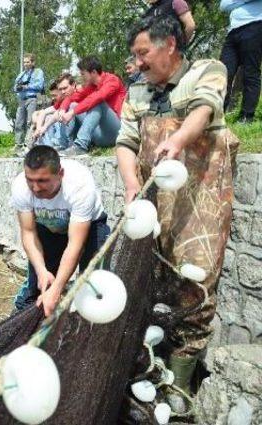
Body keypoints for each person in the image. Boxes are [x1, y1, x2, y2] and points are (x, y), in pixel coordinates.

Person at [118, 15, 236, 409]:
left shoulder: (206, 69)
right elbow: (126, 142)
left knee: (196, 284)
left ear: (169, 43)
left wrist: (180, 138)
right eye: (134, 56)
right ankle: (152, 373)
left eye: (142, 53)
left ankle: (179, 388)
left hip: (200, 200)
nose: (137, 63)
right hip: (156, 204)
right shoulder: (136, 94)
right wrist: (132, 184)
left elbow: (205, 108)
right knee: (155, 284)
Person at [11, 146, 109, 316]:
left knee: (92, 281)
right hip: (48, 226)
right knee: (38, 283)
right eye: (30, 180)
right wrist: (42, 271)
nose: (35, 188)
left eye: (42, 180)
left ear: (60, 174)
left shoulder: (79, 186)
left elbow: (75, 245)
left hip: (90, 225)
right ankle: (23, 313)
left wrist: (57, 289)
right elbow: (28, 233)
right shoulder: (20, 187)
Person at [57, 56, 127, 156]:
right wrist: (63, 109)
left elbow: (97, 97)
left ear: (93, 72)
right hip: (100, 135)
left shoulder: (112, 80)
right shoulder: (91, 86)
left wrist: (72, 113)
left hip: (116, 133)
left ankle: (80, 146)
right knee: (72, 105)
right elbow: (71, 98)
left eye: (83, 74)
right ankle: (64, 146)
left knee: (98, 102)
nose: (81, 77)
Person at [219, 0, 262, 123]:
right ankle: (218, 115)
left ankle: (247, 116)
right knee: (223, 73)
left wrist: (235, 1)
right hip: (233, 31)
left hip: (255, 25)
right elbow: (223, 6)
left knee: (250, 73)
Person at [14, 53, 45, 150]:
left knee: (30, 122)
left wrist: (26, 87)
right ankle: (18, 144)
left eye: (27, 62)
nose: (25, 64)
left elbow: (40, 85)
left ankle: (28, 144)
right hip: (21, 100)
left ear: (33, 62)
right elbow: (14, 87)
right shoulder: (21, 74)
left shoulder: (38, 72)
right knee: (18, 122)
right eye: (24, 62)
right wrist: (18, 87)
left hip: (32, 98)